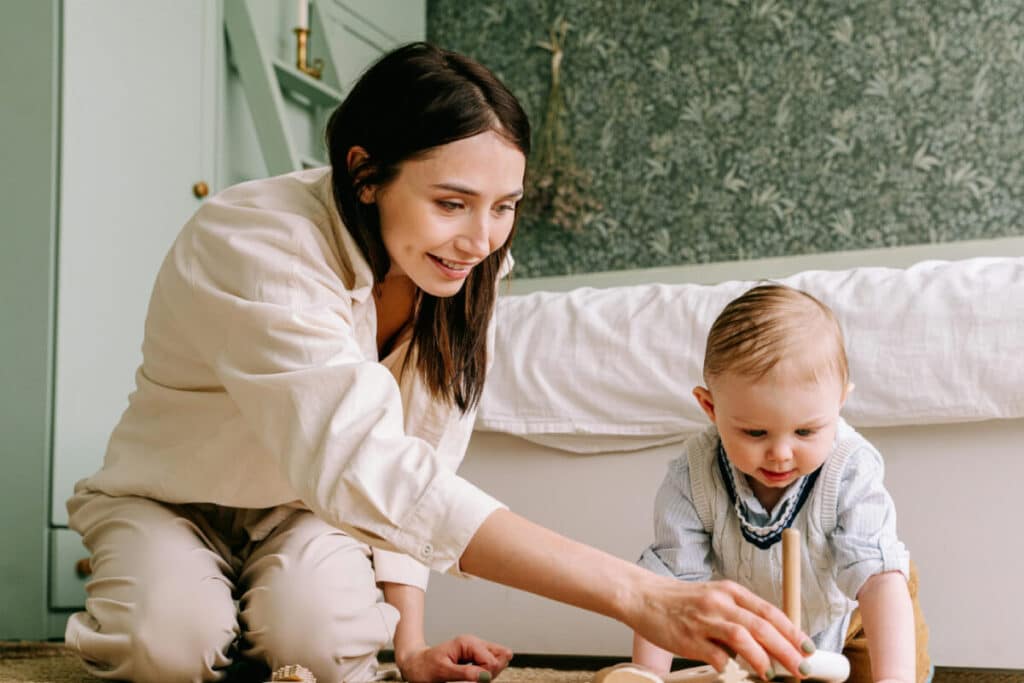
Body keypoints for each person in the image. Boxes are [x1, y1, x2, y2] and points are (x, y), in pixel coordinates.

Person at [64, 43, 811, 683]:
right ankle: (204, 611)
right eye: (452, 202)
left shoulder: (464, 269)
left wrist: (409, 645)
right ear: (365, 173)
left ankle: (261, 625)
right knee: (164, 643)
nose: (480, 238)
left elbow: (418, 457)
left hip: (305, 511)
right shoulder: (257, 243)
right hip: (169, 498)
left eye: (503, 205)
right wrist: (640, 594)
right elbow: (366, 462)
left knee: (321, 643)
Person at [632, 284, 931, 682]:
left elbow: (878, 580)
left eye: (805, 431)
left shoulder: (851, 467)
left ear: (840, 401)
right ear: (710, 407)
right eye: (755, 433)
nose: (781, 453)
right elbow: (666, 588)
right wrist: (646, 676)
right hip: (764, 632)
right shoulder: (694, 475)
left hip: (858, 615)